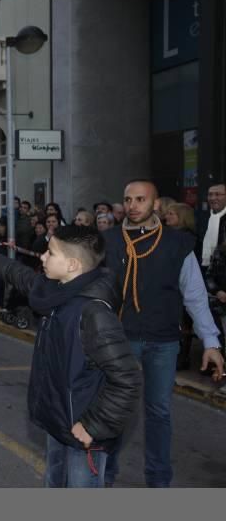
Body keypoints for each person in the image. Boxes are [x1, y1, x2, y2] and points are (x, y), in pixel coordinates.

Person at [0, 225, 141, 487]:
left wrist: (93, 426)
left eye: (50, 253)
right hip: (58, 420)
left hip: (82, 431)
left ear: (73, 265)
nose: (42, 257)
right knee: (55, 483)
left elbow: (128, 378)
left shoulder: (94, 313)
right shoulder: (57, 290)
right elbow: (20, 275)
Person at [102, 180, 224, 488]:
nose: (133, 205)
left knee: (159, 413)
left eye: (140, 199)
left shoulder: (177, 243)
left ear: (156, 205)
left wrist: (211, 342)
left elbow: (194, 296)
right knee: (117, 411)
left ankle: (158, 482)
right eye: (128, 199)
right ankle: (104, 474)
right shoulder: (107, 241)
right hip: (120, 340)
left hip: (163, 341)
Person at [165, 202, 200, 370]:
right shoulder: (168, 235)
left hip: (184, 286)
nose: (167, 216)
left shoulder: (187, 239)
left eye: (172, 214)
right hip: (174, 288)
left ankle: (182, 358)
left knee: (184, 325)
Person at [199, 183, 226, 273]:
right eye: (210, 194)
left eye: (218, 194)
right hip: (204, 267)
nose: (213, 198)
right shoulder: (203, 217)